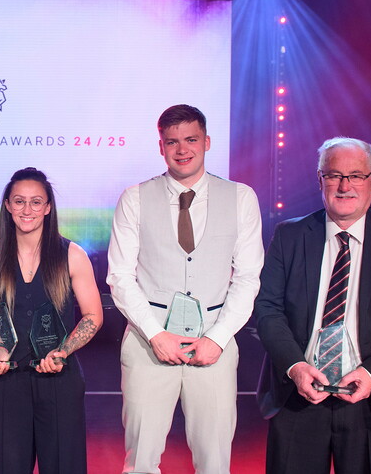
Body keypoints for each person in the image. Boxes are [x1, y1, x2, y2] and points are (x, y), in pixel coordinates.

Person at [254, 137, 371, 473]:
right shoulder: (289, 235)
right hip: (299, 395)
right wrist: (296, 367)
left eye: (355, 175)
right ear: (320, 179)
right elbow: (268, 310)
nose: (344, 186)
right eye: (334, 175)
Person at [107, 104, 264, 474]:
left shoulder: (241, 197)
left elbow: (247, 277)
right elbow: (120, 277)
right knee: (141, 461)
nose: (182, 149)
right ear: (160, 147)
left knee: (214, 462)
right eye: (172, 141)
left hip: (215, 341)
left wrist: (219, 338)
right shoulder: (134, 198)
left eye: (191, 139)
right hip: (149, 341)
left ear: (206, 142)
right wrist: (156, 334)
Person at [0, 167, 104, 474]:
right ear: (7, 205)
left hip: (59, 378)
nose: (27, 209)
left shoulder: (72, 255)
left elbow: (93, 316)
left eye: (36, 202)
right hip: (8, 378)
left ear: (47, 207)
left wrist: (63, 352)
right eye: (19, 201)